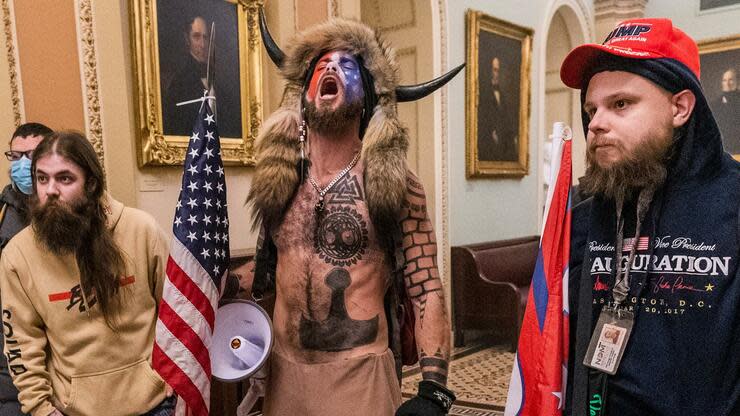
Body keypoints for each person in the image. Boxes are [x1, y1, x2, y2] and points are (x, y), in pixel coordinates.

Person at [244, 14, 462, 416]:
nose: (330, 68)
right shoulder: (281, 179)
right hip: (283, 375)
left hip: (358, 377)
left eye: (347, 66)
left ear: (367, 95)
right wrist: (224, 281)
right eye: (321, 65)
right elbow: (278, 264)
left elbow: (425, 286)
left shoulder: (396, 186)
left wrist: (434, 388)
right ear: (303, 92)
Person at [561, 18, 739, 415]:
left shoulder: (734, 205)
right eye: (591, 109)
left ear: (680, 107)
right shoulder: (585, 218)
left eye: (620, 104)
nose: (596, 124)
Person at [0, 131, 174, 416]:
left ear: (91, 184)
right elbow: (21, 344)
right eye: (42, 179)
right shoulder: (18, 255)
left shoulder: (141, 229)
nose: (50, 190)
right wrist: (41, 408)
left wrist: (175, 372)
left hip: (154, 403)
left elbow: (175, 310)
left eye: (64, 178)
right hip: (72, 410)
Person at [0, 122, 51, 416]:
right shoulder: (3, 215)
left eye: (31, 156)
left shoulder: (73, 215)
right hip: (12, 373)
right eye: (15, 156)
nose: (22, 165)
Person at [478, 56, 518, 162]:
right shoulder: (482, 94)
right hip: (488, 145)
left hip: (503, 144)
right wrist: (491, 133)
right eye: (494, 70)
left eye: (498, 70)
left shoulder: (503, 96)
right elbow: (482, 120)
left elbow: (507, 119)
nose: (496, 74)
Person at [712, 68, 740, 154]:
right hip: (724, 149)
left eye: (731, 80)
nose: (727, 83)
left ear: (737, 81)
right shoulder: (714, 105)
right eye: (724, 80)